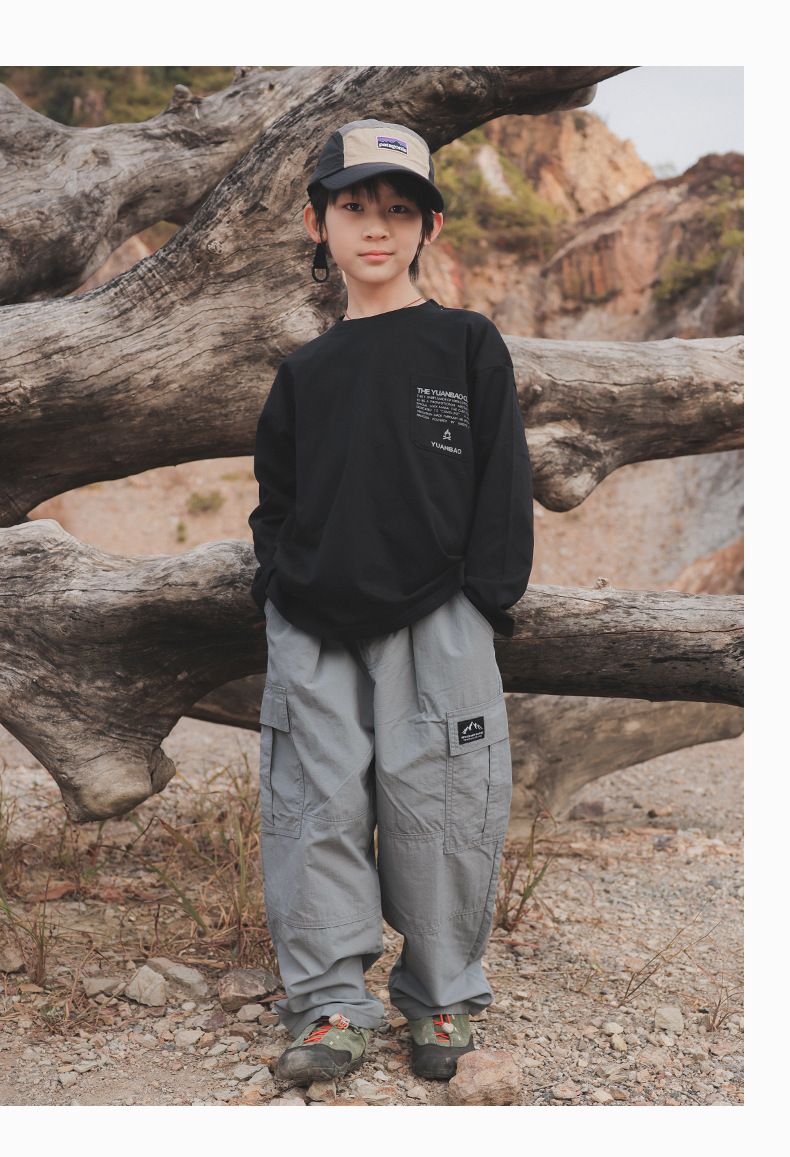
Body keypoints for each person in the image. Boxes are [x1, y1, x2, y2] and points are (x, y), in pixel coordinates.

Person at [247, 117, 534, 1087]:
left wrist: (484, 601)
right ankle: (330, 1003)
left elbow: (502, 480)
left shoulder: (464, 342)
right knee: (314, 808)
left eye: (400, 210)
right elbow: (275, 501)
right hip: (313, 623)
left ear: (430, 227)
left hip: (438, 615)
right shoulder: (305, 371)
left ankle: (440, 994)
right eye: (355, 206)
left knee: (443, 803)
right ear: (316, 222)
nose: (377, 227)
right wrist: (278, 588)